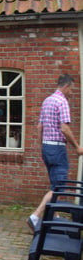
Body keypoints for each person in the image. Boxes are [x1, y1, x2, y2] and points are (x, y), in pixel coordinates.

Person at [27, 74, 83, 233]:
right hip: (58, 149)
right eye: (71, 88)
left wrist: (42, 146)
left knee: (54, 183)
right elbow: (64, 128)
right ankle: (36, 216)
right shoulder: (62, 102)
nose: (72, 92)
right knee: (58, 187)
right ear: (66, 86)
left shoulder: (47, 100)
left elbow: (40, 127)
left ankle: (55, 215)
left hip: (47, 147)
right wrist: (77, 147)